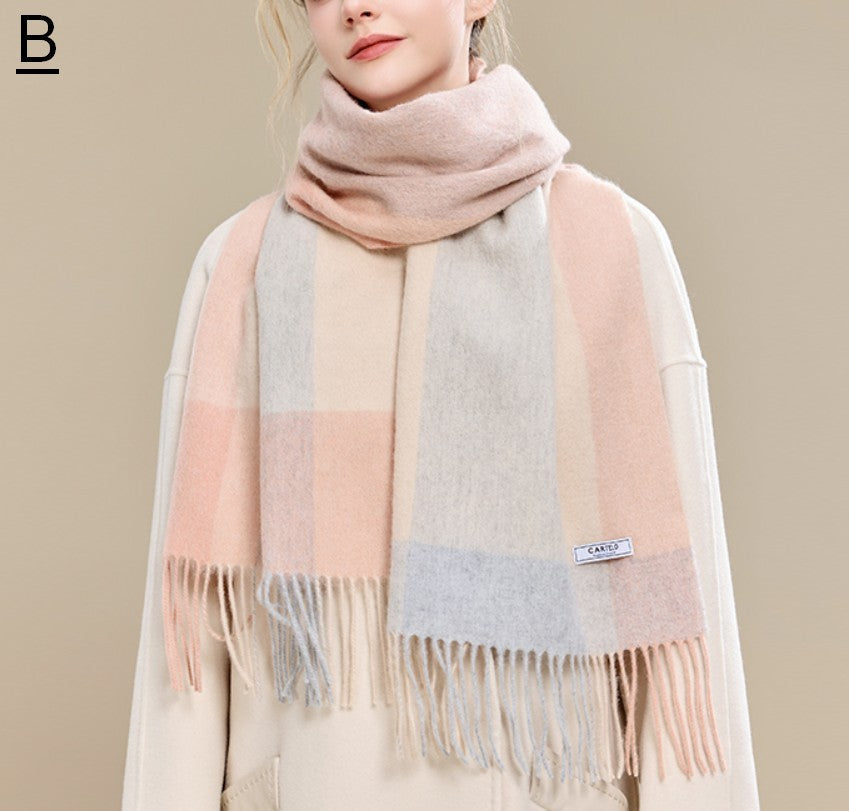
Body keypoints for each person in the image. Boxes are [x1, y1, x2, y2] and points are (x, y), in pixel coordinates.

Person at [121, 1, 760, 808]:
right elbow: (183, 652)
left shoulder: (610, 247)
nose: (355, 6)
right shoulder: (243, 264)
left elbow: (676, 636)